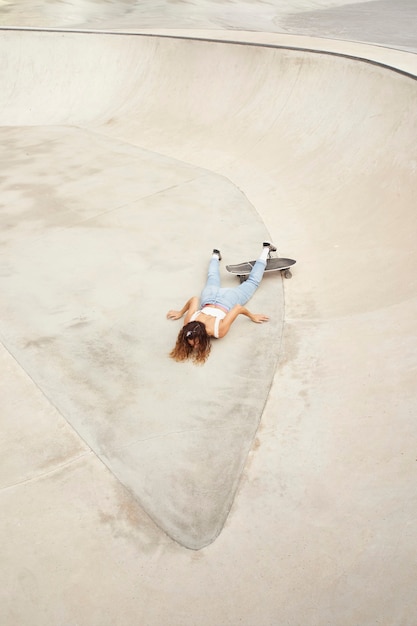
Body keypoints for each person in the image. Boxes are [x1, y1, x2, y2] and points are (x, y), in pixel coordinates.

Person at [167, 242, 275, 364]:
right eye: (193, 344)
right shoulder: (189, 322)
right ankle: (215, 255)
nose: (195, 347)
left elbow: (238, 308)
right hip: (209, 296)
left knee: (253, 282)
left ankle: (266, 250)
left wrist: (253, 316)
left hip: (228, 300)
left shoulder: (218, 331)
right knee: (212, 276)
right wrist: (180, 313)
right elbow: (194, 299)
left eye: (196, 343)